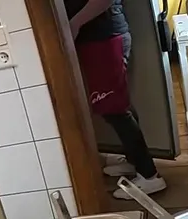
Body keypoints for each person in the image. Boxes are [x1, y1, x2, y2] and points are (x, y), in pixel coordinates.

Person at [66, 0, 166, 199]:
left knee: (114, 109)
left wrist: (73, 24)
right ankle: (135, 161)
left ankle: (149, 175)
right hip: (99, 39)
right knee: (117, 105)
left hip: (104, 39)